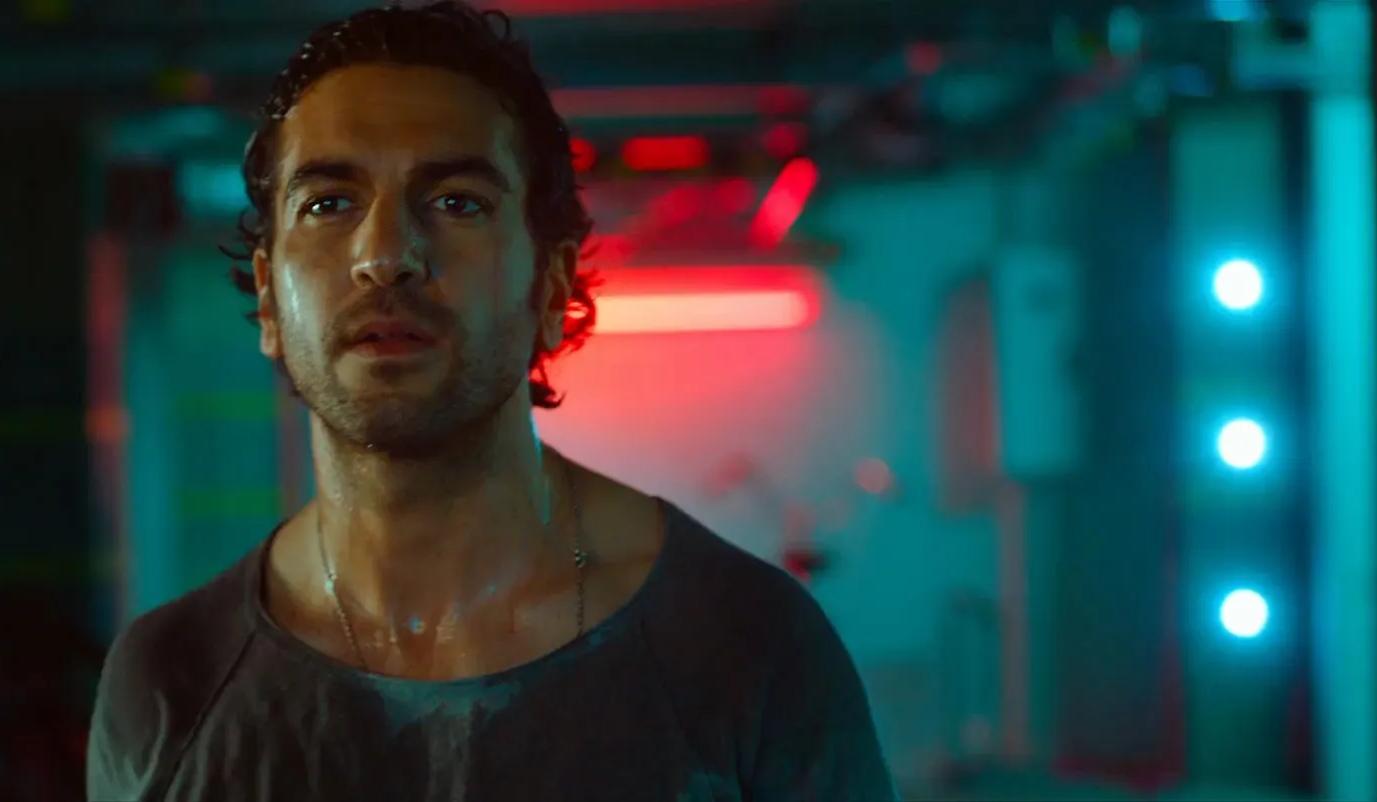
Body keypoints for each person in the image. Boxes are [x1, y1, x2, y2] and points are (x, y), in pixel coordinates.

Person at [86, 2, 897, 800]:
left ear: (552, 286)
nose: (386, 256)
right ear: (268, 296)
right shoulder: (167, 685)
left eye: (457, 202)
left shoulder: (747, 647)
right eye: (329, 203)